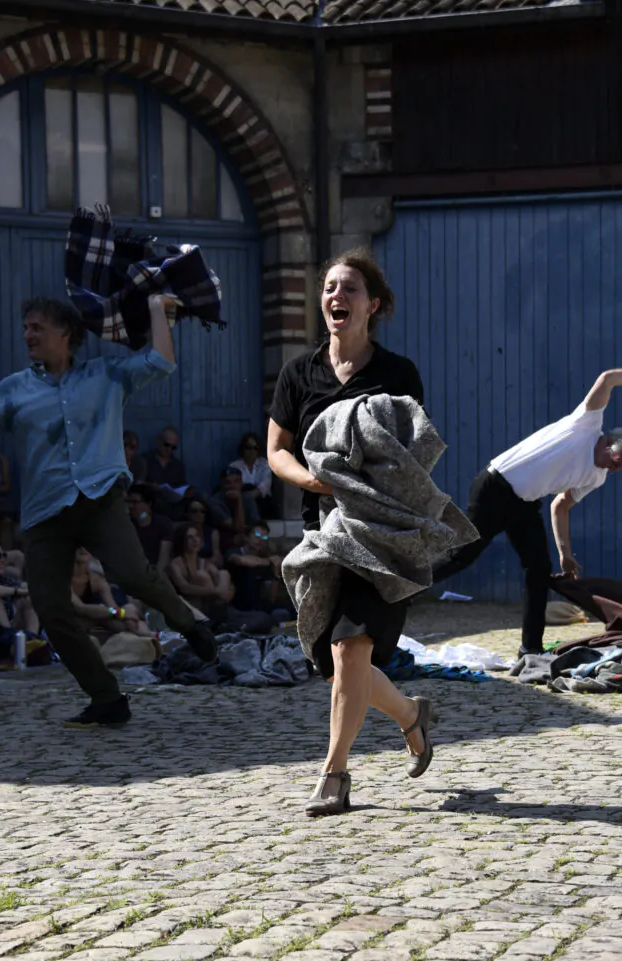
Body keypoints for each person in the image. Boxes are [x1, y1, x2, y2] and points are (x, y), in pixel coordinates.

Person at [0, 294, 218, 728]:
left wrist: (156, 310)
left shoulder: (106, 374)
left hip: (99, 499)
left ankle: (189, 624)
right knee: (52, 611)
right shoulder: (14, 387)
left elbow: (160, 361)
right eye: (25, 328)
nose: (27, 335)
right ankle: (106, 698)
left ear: (66, 333)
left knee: (133, 574)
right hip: (45, 513)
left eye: (37, 327)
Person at [267, 248, 435, 817]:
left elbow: (409, 458)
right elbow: (276, 451)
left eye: (351, 289)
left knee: (350, 646)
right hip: (324, 538)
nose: (337, 296)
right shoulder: (299, 373)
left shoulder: (398, 374)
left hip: (382, 537)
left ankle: (334, 775)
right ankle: (412, 715)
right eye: (331, 288)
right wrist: (314, 481)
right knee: (342, 660)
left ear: (374, 305)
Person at [431, 366, 622, 657]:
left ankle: (531, 649)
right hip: (495, 486)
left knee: (539, 570)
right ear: (608, 443)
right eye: (615, 462)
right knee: (462, 555)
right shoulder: (586, 424)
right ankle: (401, 589)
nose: (613, 470)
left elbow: (561, 505)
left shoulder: (597, 476)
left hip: (525, 503)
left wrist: (565, 553)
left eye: (619, 469)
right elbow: (607, 378)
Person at [69, 548, 157, 639]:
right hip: (68, 620)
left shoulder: (97, 579)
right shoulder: (62, 578)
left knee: (122, 619)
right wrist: (120, 612)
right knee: (103, 616)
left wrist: (125, 612)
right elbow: (81, 608)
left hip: (94, 618)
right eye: (78, 545)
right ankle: (151, 637)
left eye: (85, 544)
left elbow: (113, 609)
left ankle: (152, 637)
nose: (83, 549)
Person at [225, 519, 288, 615]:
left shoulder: (264, 560)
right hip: (237, 607)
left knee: (287, 611)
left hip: (258, 608)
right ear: (246, 537)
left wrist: (275, 573)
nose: (261, 539)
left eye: (265, 537)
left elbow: (270, 598)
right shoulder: (234, 552)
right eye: (258, 536)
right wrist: (269, 561)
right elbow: (241, 561)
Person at [125, 482, 173, 571]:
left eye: (135, 502)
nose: (130, 506)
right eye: (128, 502)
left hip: (155, 572)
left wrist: (155, 578)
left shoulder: (163, 523)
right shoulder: (126, 524)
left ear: (149, 503)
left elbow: (164, 558)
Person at [230, 432, 274, 518]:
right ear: (243, 449)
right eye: (248, 448)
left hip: (260, 500)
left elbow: (266, 484)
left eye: (255, 448)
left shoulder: (264, 464)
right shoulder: (234, 466)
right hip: (241, 500)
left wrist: (252, 494)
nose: (252, 451)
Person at [209, 466, 258, 539]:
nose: (232, 486)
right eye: (228, 482)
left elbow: (257, 525)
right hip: (223, 540)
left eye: (236, 482)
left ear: (241, 483)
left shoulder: (247, 498)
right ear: (221, 485)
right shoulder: (215, 502)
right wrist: (238, 500)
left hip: (246, 537)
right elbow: (238, 528)